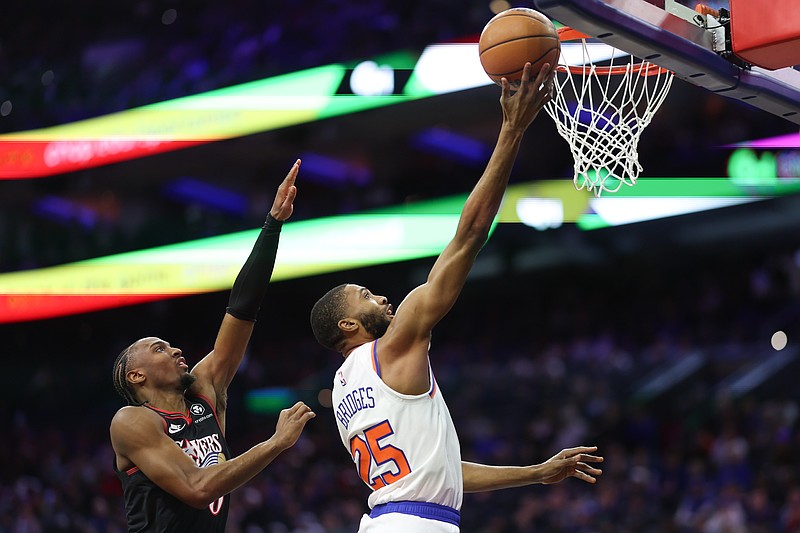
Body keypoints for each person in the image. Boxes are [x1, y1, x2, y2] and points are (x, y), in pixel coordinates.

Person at [310, 63, 603, 532]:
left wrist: (535, 473)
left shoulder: (346, 393)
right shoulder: (394, 344)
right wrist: (512, 130)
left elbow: (443, 473)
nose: (382, 298)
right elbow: (467, 237)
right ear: (348, 325)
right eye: (365, 296)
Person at [110, 160, 316, 532]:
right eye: (159, 349)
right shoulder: (132, 421)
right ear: (136, 375)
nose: (175, 351)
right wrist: (276, 443)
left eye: (170, 345)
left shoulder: (205, 391)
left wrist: (272, 224)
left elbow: (241, 311)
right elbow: (196, 487)